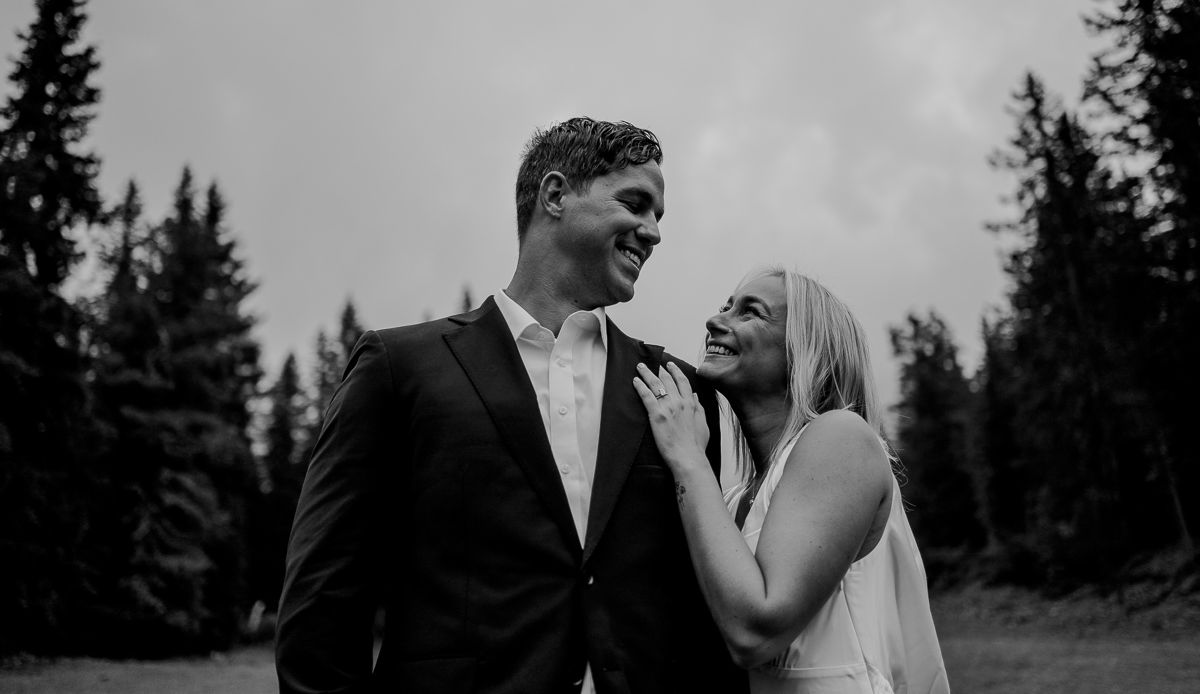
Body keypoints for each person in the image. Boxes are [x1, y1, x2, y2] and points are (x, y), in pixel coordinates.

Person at [276, 117, 748, 694]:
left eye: (658, 216)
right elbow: (325, 597)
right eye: (635, 203)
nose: (652, 232)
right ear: (555, 195)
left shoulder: (677, 390)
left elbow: (707, 603)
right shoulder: (401, 369)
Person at [633, 268, 949, 694]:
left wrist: (688, 458)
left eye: (751, 312)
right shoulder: (729, 500)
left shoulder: (842, 436)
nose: (716, 320)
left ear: (804, 350)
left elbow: (755, 632)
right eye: (726, 306)